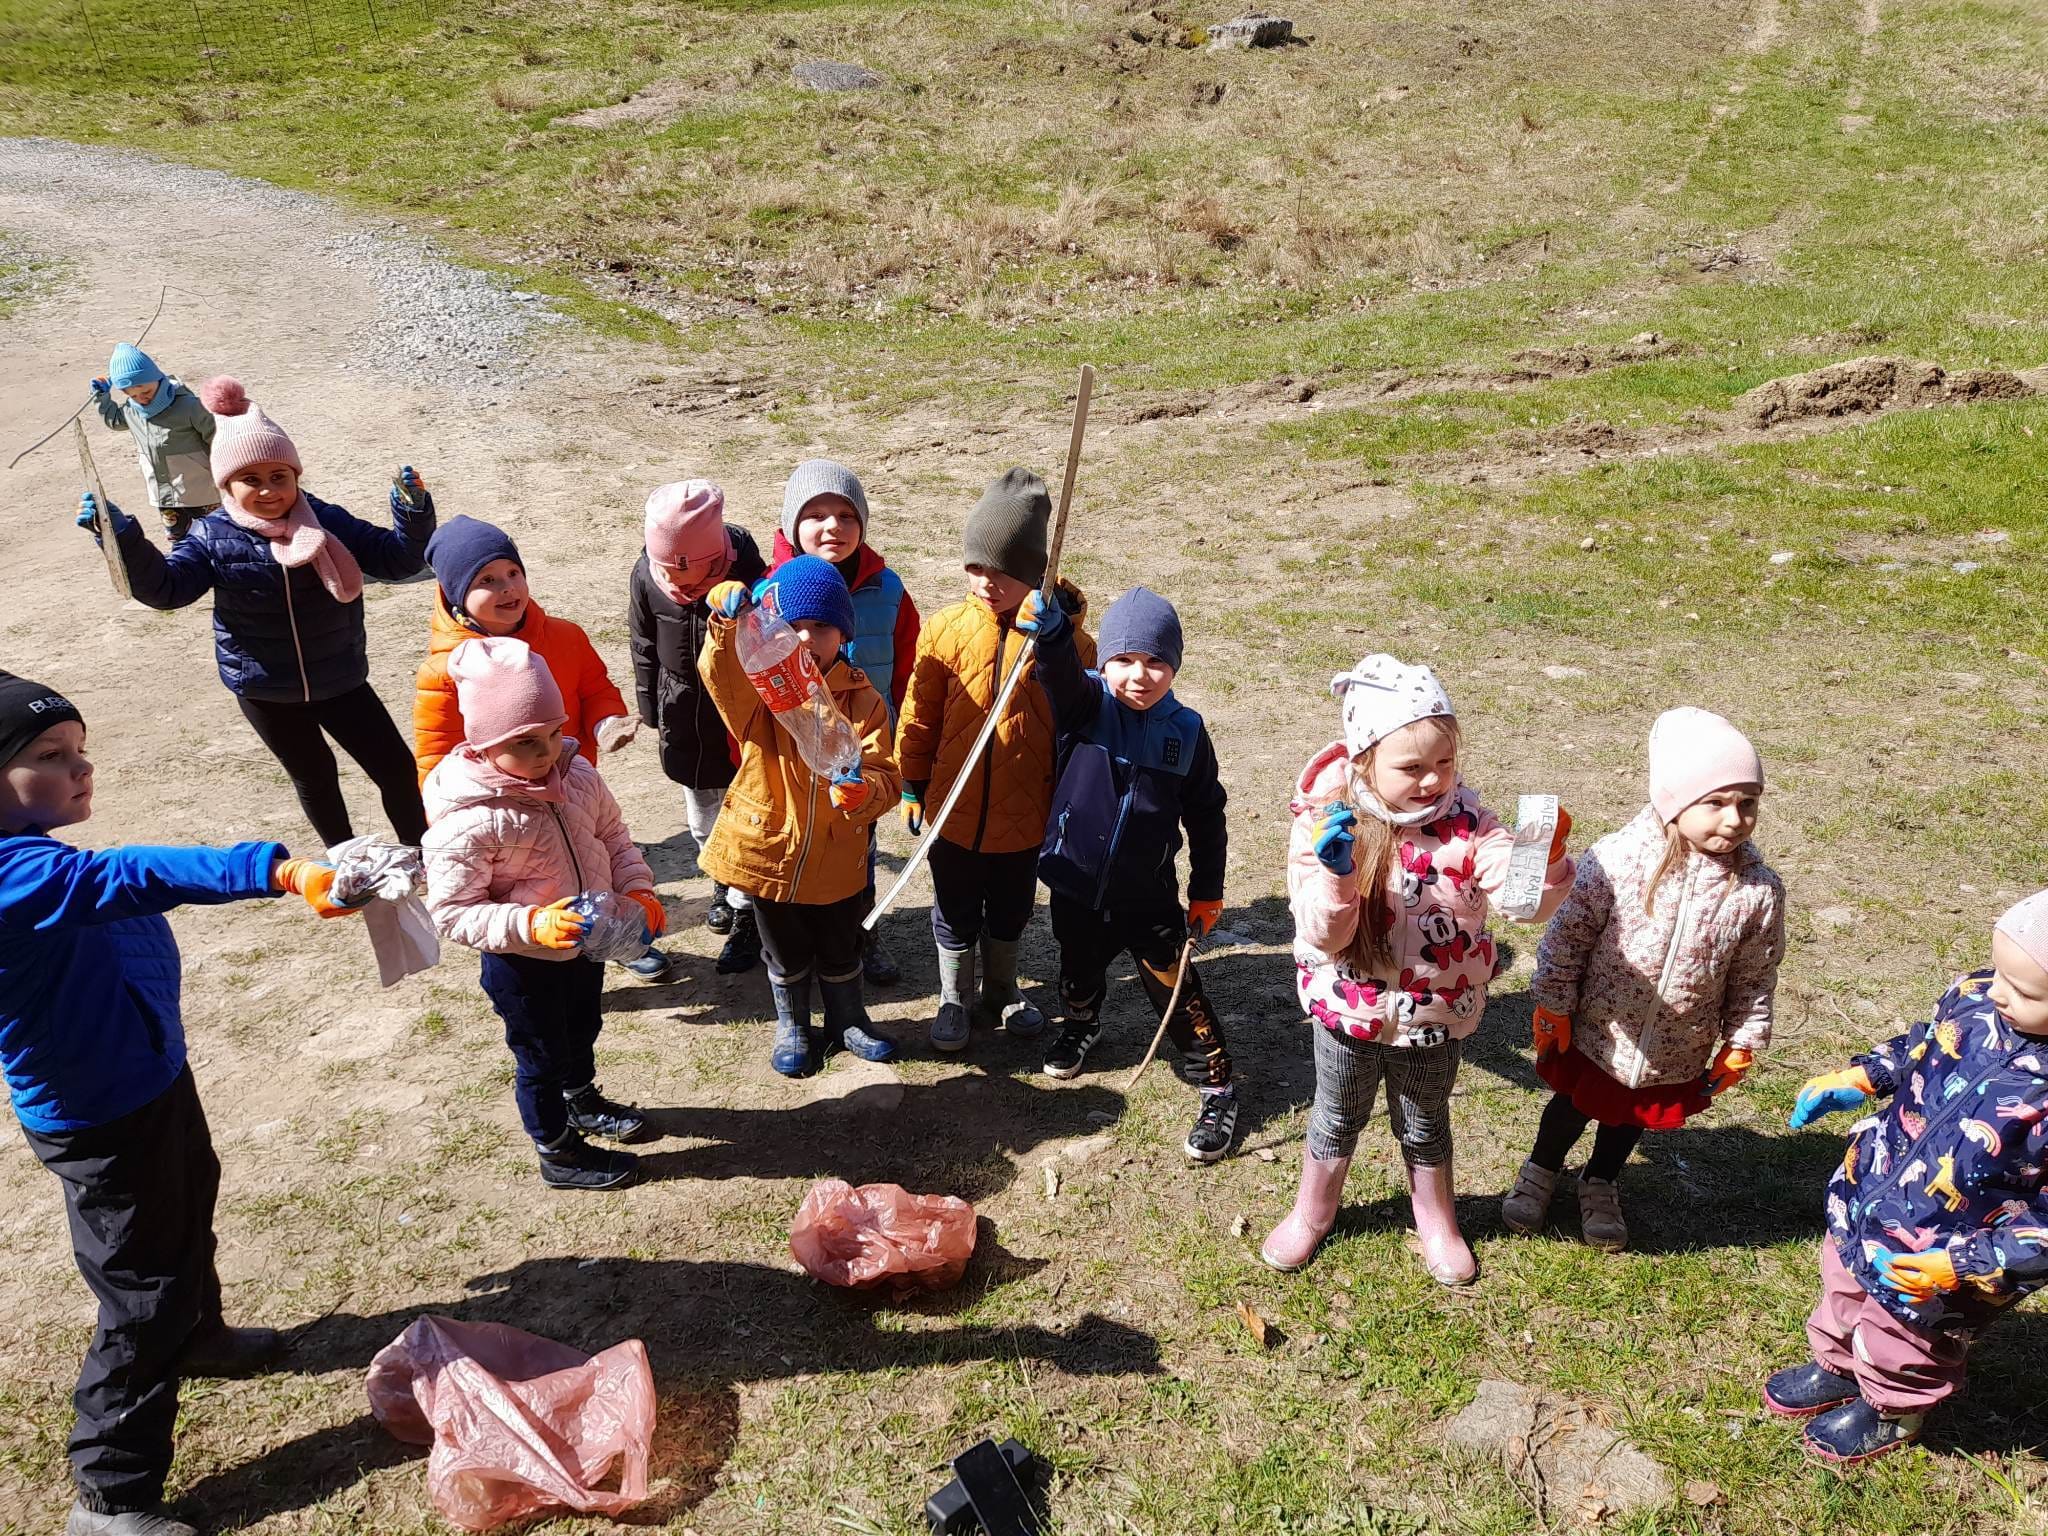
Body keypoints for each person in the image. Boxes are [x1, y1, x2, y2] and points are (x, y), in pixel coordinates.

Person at [0, 668, 366, 1536]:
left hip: (150, 1075)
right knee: (140, 1286)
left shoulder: (39, 856)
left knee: (188, 1202)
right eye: (49, 756)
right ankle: (112, 1496)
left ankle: (200, 1335)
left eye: (81, 748)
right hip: (98, 1113)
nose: (79, 768)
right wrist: (275, 871)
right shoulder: (15, 879)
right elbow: (131, 878)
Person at [1260, 655, 1574, 1284]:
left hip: (1436, 1011)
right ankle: (1313, 1211)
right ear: (1363, 762)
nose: (1432, 781)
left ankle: (1437, 1221)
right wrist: (1337, 876)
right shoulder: (1326, 828)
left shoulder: (1473, 827)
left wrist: (1546, 865)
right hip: (1348, 1008)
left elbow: (1522, 905)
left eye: (1444, 764)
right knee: (1337, 1112)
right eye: (1411, 768)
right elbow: (1322, 938)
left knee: (1425, 1117)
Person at [85, 377, 433, 850]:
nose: (269, 491)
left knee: (395, 769)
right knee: (316, 779)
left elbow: (396, 561)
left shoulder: (324, 520)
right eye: (251, 480)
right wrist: (123, 537)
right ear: (226, 484)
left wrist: (412, 516)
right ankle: (348, 864)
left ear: (295, 477)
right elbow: (167, 589)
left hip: (341, 677)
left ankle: (427, 856)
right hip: (265, 690)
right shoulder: (211, 535)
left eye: (279, 477)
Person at [1766, 890, 2048, 1463]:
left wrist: (1967, 1265)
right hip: (1874, 1189)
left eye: (2023, 990)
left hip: (1951, 1248)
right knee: (1843, 1281)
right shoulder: (1978, 998)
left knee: (1908, 1334)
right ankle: (1840, 1365)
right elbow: (1927, 1042)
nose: (1997, 991)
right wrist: (1866, 1075)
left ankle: (1893, 1407)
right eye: (1998, 971)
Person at [1504, 708, 1784, 1251]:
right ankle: (1540, 1169)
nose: (1734, 819)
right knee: (1572, 1106)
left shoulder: (1758, 890)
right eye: (1716, 802)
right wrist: (1554, 1004)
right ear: (1673, 803)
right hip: (1600, 1031)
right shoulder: (1618, 859)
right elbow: (1568, 939)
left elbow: (1755, 975)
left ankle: (1601, 1181)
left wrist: (1744, 1040)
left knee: (1629, 1119)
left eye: (1747, 803)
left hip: (1676, 1046)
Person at [421, 638, 664, 1191]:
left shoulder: (577, 775)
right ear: (482, 745)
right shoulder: (468, 818)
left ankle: (581, 1099)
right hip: (524, 964)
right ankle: (557, 1150)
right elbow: (453, 911)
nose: (547, 751)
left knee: (583, 1027)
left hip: (585, 946)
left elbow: (613, 837)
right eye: (525, 742)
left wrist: (638, 890)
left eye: (555, 732)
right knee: (540, 1055)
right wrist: (531, 925)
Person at [1022, 585, 1238, 1163]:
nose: (1139, 676)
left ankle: (1217, 1085)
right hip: (1075, 881)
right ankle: (1081, 1023)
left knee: (1176, 989)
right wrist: (1053, 636)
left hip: (1148, 895)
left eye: (1156, 662)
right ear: (1103, 661)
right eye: (1123, 660)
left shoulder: (1186, 731)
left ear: (1175, 666)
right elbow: (1061, 674)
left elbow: (1206, 816)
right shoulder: (1085, 705)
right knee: (1078, 964)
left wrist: (1207, 891)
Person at [411, 515, 668, 980]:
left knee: (592, 866)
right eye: (487, 580)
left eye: (513, 573)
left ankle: (618, 944)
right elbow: (435, 752)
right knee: (533, 886)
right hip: (503, 814)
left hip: (569, 787)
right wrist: (450, 816)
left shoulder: (563, 636)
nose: (508, 588)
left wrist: (607, 721)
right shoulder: (444, 671)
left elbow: (594, 686)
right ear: (453, 593)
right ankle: (540, 953)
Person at [895, 468, 1092, 1052]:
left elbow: (1080, 722)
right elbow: (919, 713)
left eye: (1001, 571)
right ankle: (953, 996)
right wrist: (912, 783)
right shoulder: (946, 630)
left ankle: (1001, 989)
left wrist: (1056, 641)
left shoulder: (1071, 642)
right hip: (951, 813)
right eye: (975, 567)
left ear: (1035, 572)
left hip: (1026, 817)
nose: (984, 582)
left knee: (1010, 910)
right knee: (953, 908)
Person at [698, 556, 901, 1076]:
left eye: (822, 626)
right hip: (772, 854)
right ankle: (792, 1023)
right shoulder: (761, 695)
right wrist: (725, 628)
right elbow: (722, 677)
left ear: (844, 632)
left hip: (838, 858)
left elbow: (885, 770)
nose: (807, 639)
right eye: (794, 627)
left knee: (841, 944)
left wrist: (867, 792)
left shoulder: (863, 699)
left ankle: (847, 1018)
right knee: (784, 951)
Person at [770, 459, 919, 986]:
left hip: (860, 742)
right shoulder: (770, 592)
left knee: (859, 844)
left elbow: (907, 667)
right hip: (788, 754)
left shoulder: (888, 588)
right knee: (791, 845)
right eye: (816, 515)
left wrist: (900, 738)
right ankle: (784, 941)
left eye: (845, 515)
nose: (833, 526)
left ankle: (859, 935)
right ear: (792, 524)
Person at [627, 481, 767, 975]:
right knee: (703, 816)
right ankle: (720, 881)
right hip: (682, 712)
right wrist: (650, 706)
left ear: (720, 560)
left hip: (738, 719)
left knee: (749, 818)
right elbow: (643, 639)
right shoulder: (647, 574)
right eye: (669, 572)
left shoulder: (750, 575)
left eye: (695, 574)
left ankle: (750, 914)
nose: (681, 586)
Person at [90, 344, 216, 543]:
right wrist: (101, 396)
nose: (142, 399)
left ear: (159, 379)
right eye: (132, 395)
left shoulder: (189, 406)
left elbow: (216, 437)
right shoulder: (132, 412)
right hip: (165, 496)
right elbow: (115, 421)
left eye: (146, 391)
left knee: (216, 538)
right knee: (180, 543)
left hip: (202, 491)